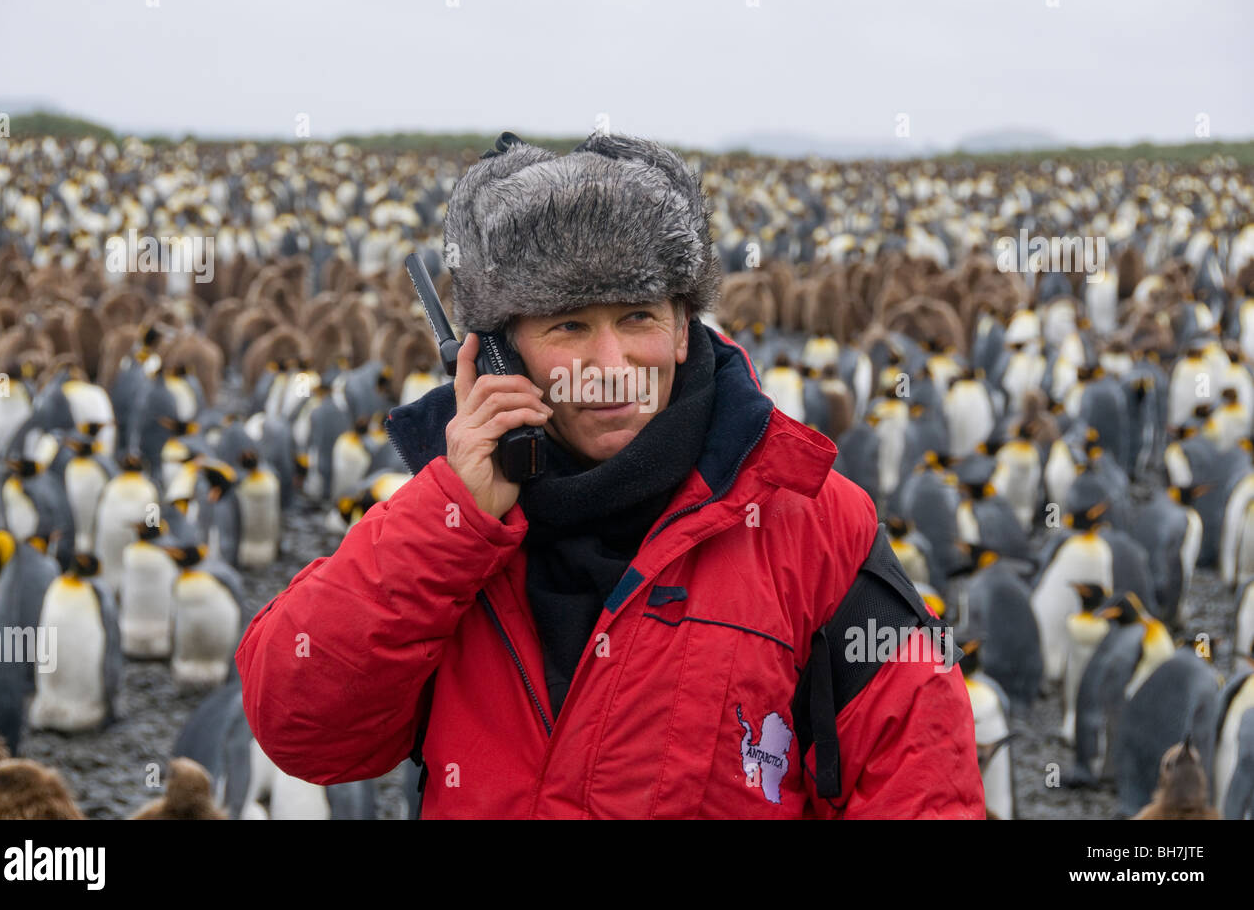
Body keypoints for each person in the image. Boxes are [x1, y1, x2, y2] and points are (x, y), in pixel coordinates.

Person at [235, 130, 986, 818]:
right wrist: (453, 516)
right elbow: (303, 726)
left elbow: (922, 784)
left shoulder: (810, 523)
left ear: (684, 326)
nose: (610, 366)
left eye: (637, 317)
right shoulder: (450, 531)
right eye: (568, 325)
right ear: (496, 353)